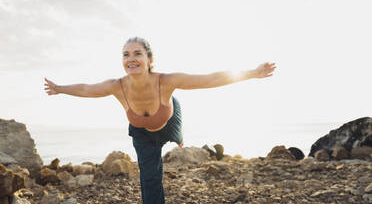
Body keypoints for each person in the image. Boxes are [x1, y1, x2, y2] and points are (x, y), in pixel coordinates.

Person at [44, 36, 276, 204]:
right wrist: (60, 89)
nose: (131, 59)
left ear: (149, 59)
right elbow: (86, 89)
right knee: (150, 177)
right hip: (142, 134)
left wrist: (251, 73)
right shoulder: (117, 86)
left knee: (176, 133)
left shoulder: (166, 81)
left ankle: (179, 139)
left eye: (137, 54)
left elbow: (209, 79)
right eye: (126, 55)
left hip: (169, 117)